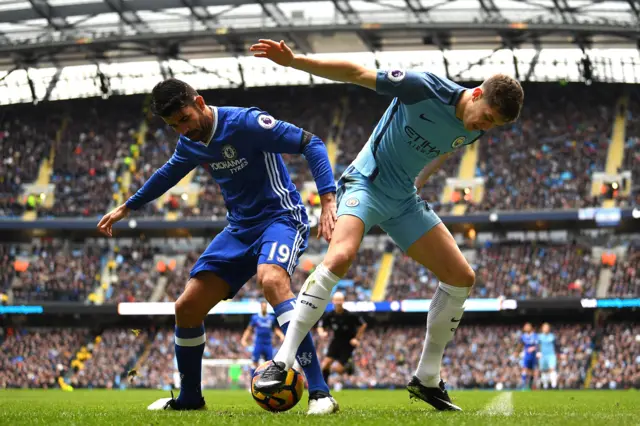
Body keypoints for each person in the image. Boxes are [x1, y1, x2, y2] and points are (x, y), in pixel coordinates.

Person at [250, 39, 524, 411]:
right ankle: (282, 360)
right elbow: (355, 72)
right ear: (476, 94)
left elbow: (444, 149)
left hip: (403, 200)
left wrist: (418, 187)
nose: (485, 127)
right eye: (487, 117)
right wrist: (295, 61)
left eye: (494, 125)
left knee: (461, 276)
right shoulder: (424, 87)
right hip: (366, 182)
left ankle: (427, 378)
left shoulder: (474, 127)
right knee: (341, 256)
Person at [96, 78, 339, 414]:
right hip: (239, 229)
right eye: (172, 126)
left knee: (271, 280)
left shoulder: (246, 122)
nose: (182, 129)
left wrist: (327, 199)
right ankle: (189, 399)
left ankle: (320, 393)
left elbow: (312, 143)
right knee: (187, 307)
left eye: (184, 119)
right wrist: (127, 207)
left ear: (198, 102)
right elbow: (167, 174)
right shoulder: (190, 143)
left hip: (281, 219)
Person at [316, 291, 367, 386]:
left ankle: (349, 366)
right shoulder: (330, 315)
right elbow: (320, 326)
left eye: (340, 300)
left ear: (343, 301)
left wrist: (357, 338)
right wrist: (322, 333)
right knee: (325, 365)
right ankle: (324, 387)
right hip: (336, 341)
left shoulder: (350, 315)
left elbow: (363, 324)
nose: (338, 302)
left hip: (348, 343)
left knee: (339, 369)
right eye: (336, 300)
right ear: (333, 301)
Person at [240, 300, 285, 378]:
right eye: (263, 306)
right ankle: (253, 382)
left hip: (268, 344)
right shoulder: (255, 318)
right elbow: (249, 329)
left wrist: (281, 335)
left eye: (265, 306)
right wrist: (244, 338)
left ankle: (268, 382)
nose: (264, 307)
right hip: (258, 343)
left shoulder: (271, 318)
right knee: (254, 362)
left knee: (270, 364)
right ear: (261, 307)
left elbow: (275, 329)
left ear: (266, 307)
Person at [515, 322, 539, 390]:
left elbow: (538, 345)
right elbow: (520, 344)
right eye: (525, 327)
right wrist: (517, 351)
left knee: (532, 371)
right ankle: (523, 385)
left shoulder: (535, 335)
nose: (526, 328)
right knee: (525, 369)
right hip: (526, 355)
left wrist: (534, 348)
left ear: (531, 327)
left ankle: (530, 385)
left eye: (528, 326)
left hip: (533, 355)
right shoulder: (523, 336)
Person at [538, 322, 558, 390]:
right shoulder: (539, 336)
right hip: (543, 355)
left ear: (549, 329)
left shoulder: (552, 336)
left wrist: (560, 353)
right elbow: (537, 345)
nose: (546, 329)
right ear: (542, 328)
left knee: (552, 369)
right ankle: (545, 386)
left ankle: (554, 385)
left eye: (547, 327)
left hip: (551, 355)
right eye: (544, 327)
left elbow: (556, 345)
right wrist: (538, 352)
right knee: (544, 370)